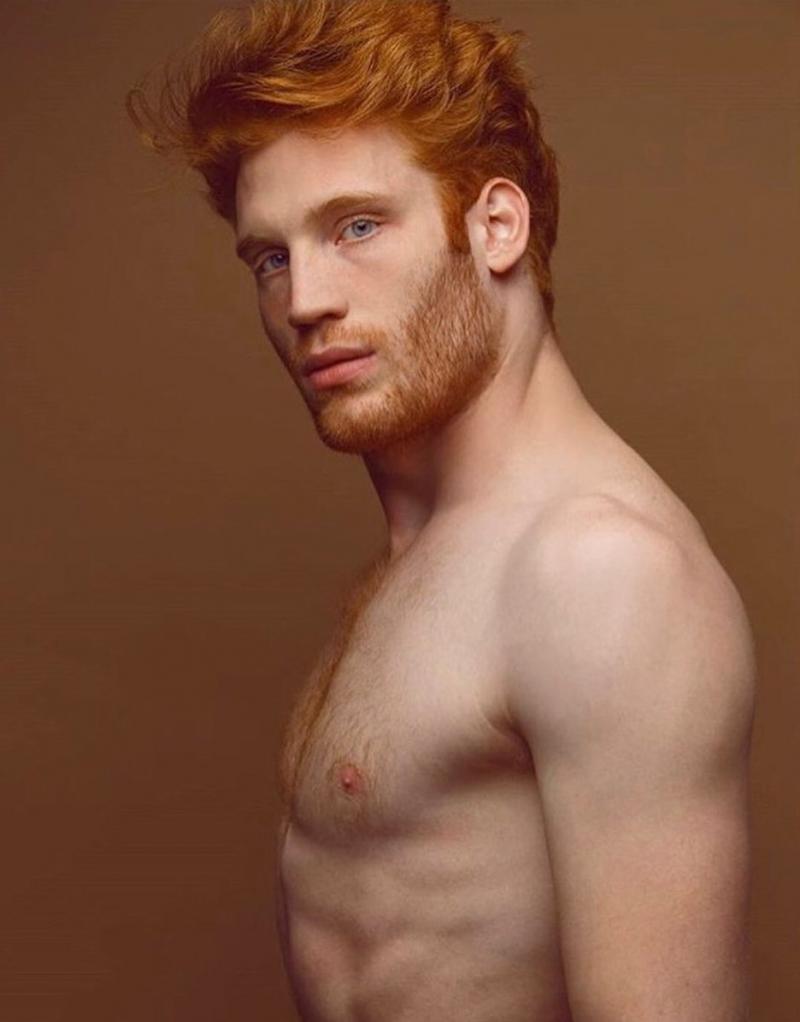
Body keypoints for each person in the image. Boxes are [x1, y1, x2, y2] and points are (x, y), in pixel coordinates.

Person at [127, 1, 756, 1018]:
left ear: (495, 226)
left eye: (357, 226)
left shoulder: (596, 569)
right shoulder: (429, 549)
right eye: (271, 256)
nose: (304, 300)